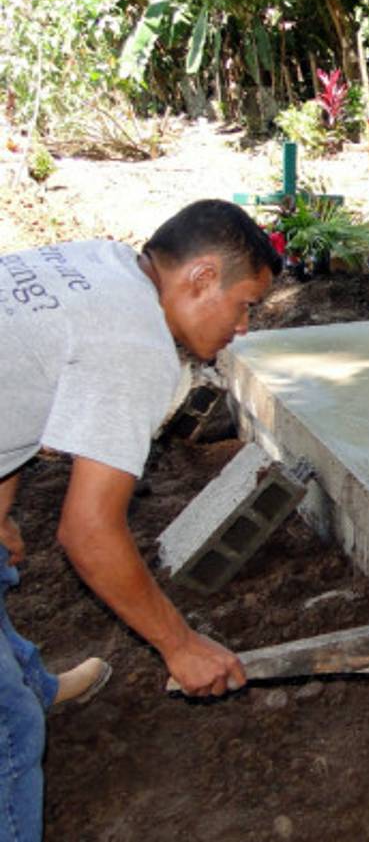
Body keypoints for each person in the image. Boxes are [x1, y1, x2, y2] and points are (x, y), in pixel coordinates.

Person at [0, 198, 280, 839]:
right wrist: (180, 646)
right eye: (244, 306)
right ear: (201, 277)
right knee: (9, 731)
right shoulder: (136, 346)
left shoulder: (101, 264)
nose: (243, 327)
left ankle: (32, 682)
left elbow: (16, 391)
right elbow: (88, 532)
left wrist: (3, 509)